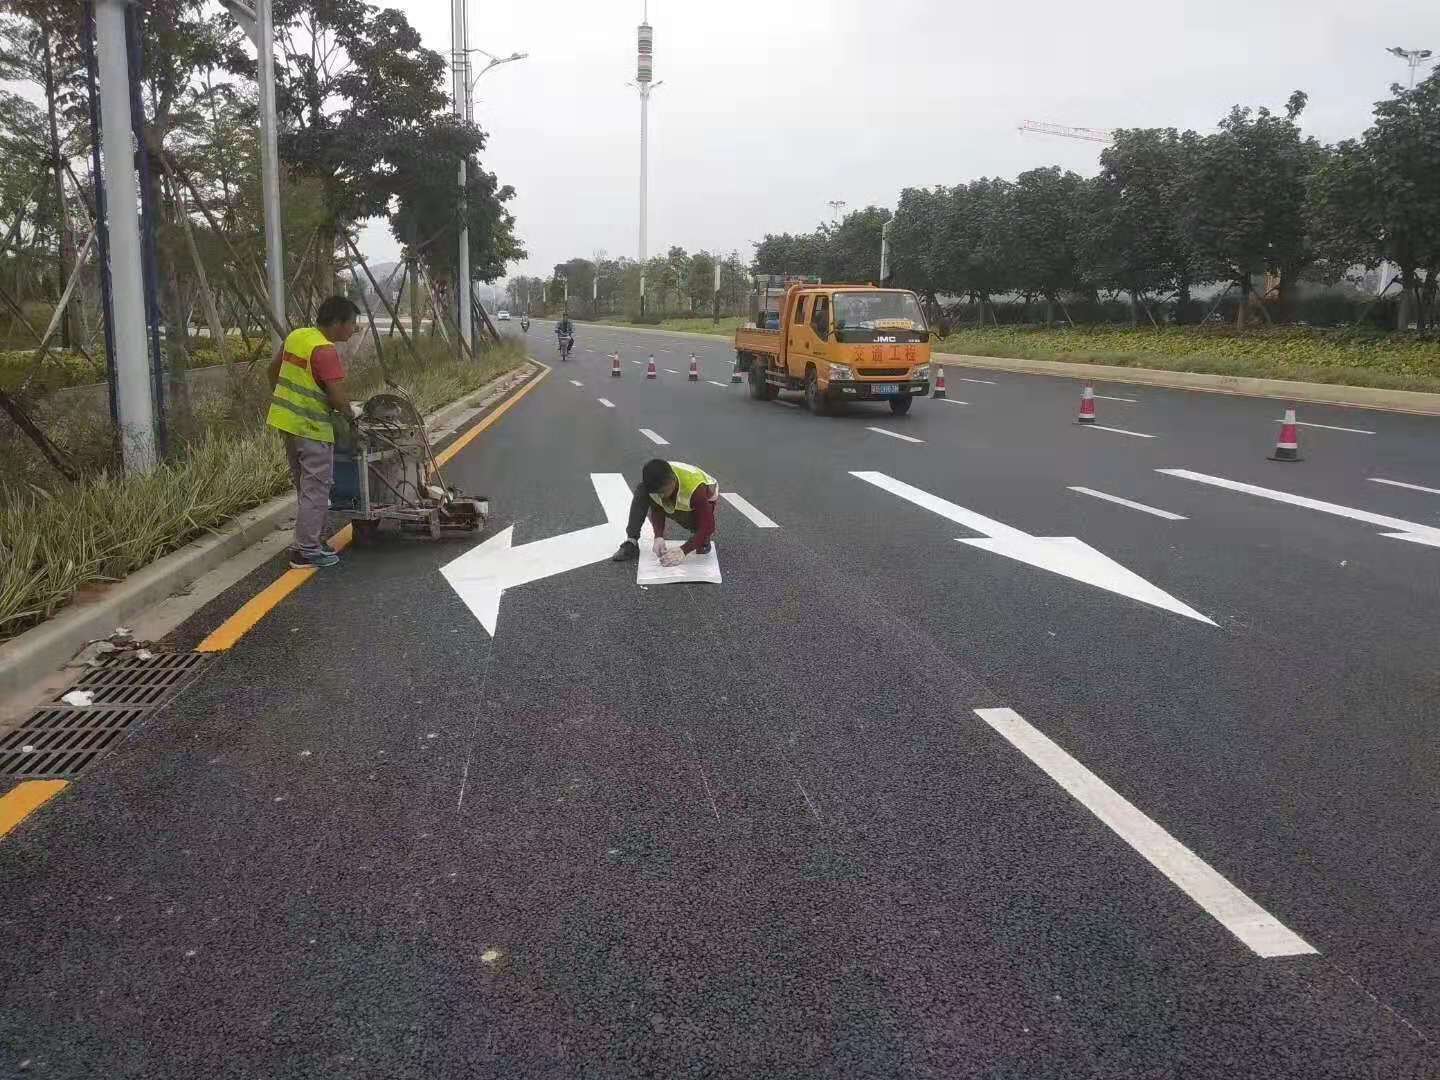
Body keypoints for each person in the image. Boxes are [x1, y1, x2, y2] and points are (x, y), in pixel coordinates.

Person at [266, 296, 360, 569]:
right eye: (352, 323)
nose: (354, 329)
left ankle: (309, 541)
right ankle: (306, 551)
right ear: (338, 323)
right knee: (317, 489)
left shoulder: (297, 337)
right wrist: (351, 415)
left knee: (305, 487)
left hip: (288, 423)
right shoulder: (324, 350)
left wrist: (285, 399)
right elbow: (338, 397)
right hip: (312, 427)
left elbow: (271, 371)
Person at [612, 459, 719, 567]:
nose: (661, 497)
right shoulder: (655, 483)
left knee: (702, 528)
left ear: (673, 481)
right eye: (657, 493)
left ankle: (703, 540)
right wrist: (658, 536)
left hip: (704, 500)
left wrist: (684, 550)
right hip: (672, 490)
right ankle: (632, 541)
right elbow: (657, 507)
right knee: (641, 491)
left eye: (663, 492)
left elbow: (709, 526)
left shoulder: (696, 490)